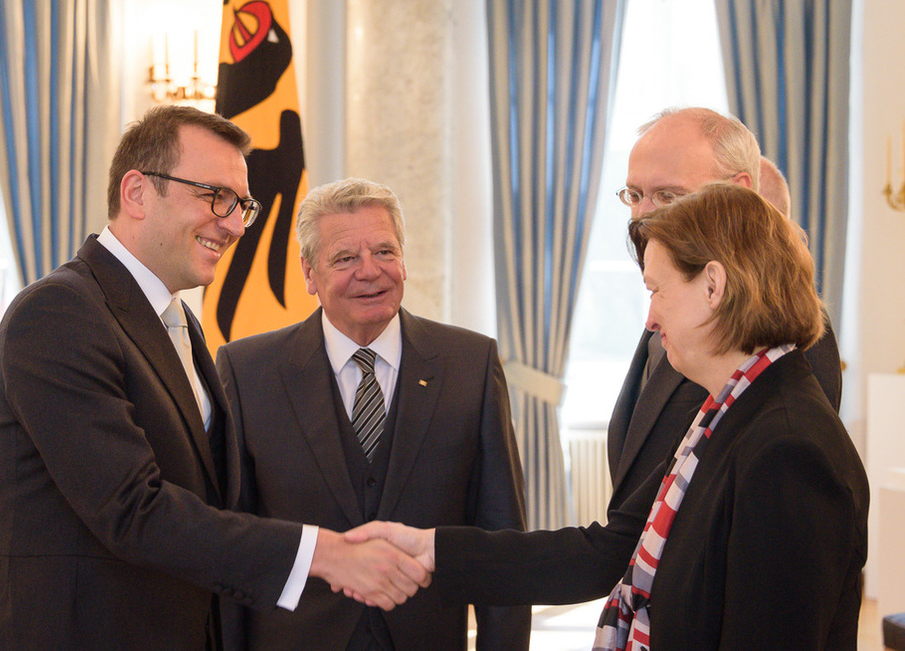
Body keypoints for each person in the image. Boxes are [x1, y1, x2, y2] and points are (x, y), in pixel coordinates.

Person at [0, 107, 428, 650]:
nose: (236, 224)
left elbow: (207, 495)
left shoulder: (179, 321)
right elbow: (133, 511)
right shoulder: (57, 315)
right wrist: (327, 555)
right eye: (215, 196)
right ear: (137, 192)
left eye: (242, 204)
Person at [349, 183, 870, 650]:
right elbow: (611, 548)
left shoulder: (785, 448)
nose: (651, 316)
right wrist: (432, 549)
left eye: (657, 290)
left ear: (713, 287)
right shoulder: (724, 415)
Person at [216, 177, 530, 650]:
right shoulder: (247, 371)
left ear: (404, 260)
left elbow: (501, 544)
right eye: (345, 258)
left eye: (384, 252)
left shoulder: (471, 364)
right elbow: (230, 543)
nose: (369, 272)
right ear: (308, 273)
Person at [606, 107, 843, 510]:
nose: (644, 216)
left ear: (739, 191)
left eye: (667, 195)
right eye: (635, 195)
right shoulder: (677, 298)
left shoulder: (780, 328)